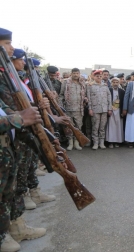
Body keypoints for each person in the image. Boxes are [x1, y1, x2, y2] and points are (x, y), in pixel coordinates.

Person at [0, 28, 47, 251]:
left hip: (8, 140)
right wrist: (18, 119)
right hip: (9, 136)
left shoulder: (8, 76)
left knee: (9, 188)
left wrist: (37, 112)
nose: (11, 49)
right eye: (7, 43)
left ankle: (15, 227)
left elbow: (7, 107)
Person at [59, 68, 87, 150]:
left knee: (78, 126)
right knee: (68, 126)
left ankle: (76, 142)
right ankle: (70, 142)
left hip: (79, 109)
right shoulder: (66, 82)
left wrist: (85, 99)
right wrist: (61, 107)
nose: (75, 75)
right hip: (68, 108)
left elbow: (85, 94)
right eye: (74, 73)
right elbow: (61, 95)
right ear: (71, 73)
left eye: (77, 73)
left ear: (79, 74)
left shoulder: (82, 82)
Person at [87, 70, 112, 150]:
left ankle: (101, 142)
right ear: (93, 77)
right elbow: (89, 99)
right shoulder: (90, 86)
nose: (99, 77)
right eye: (97, 76)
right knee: (95, 127)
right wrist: (90, 109)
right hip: (95, 109)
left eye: (100, 76)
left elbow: (109, 98)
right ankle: (95, 143)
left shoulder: (105, 86)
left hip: (104, 109)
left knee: (102, 127)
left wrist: (109, 109)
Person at [106, 77, 125, 148]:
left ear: (119, 83)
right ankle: (111, 142)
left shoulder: (122, 91)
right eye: (114, 82)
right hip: (111, 110)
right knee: (111, 127)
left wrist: (123, 111)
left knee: (118, 126)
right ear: (111, 83)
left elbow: (123, 102)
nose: (115, 84)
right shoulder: (108, 90)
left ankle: (117, 142)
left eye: (117, 82)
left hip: (119, 110)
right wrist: (109, 109)